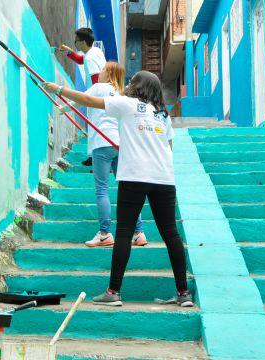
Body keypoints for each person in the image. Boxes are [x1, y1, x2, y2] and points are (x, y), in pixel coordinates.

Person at [43, 71, 194, 308]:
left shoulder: (127, 104)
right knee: (171, 234)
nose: (127, 84)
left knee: (123, 233)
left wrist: (58, 89)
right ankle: (183, 293)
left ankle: (113, 292)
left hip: (134, 176)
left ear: (139, 86)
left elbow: (89, 101)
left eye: (132, 81)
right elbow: (169, 147)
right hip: (164, 178)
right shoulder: (163, 116)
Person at [59, 62, 147, 248]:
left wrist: (63, 109)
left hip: (102, 144)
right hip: (120, 144)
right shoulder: (122, 93)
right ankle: (139, 233)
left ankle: (105, 234)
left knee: (102, 189)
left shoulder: (98, 87)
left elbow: (82, 99)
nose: (99, 73)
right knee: (127, 189)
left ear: (108, 73)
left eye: (102, 70)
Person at [59, 27, 106, 167]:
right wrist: (69, 52)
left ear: (83, 42)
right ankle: (93, 157)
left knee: (95, 128)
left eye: (76, 40)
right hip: (102, 96)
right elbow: (81, 60)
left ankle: (96, 160)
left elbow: (96, 82)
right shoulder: (95, 51)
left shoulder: (91, 58)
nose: (75, 42)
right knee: (95, 128)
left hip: (97, 98)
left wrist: (72, 105)